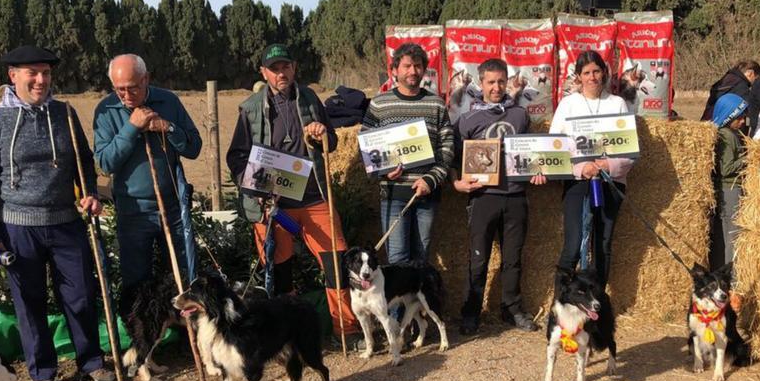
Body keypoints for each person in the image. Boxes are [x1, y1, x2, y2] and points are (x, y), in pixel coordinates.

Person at [0, 45, 115, 381]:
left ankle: (91, 360)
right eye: (32, 73)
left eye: (46, 73)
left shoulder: (65, 113)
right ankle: (42, 372)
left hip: (66, 221)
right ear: (13, 76)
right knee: (29, 301)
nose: (41, 80)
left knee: (81, 294)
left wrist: (89, 193)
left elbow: (83, 162)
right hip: (17, 227)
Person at [226, 43, 360, 346]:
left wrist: (323, 135)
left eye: (285, 67)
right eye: (274, 69)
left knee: (337, 263)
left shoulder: (310, 98)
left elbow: (332, 142)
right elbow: (236, 158)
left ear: (294, 68)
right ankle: (288, 339)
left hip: (314, 197)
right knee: (280, 272)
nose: (281, 73)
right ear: (264, 72)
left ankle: (346, 331)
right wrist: (255, 189)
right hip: (273, 204)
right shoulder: (249, 108)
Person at [451, 58, 544, 335]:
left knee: (512, 258)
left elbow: (530, 153)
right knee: (478, 258)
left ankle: (511, 309)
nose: (496, 87)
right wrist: (456, 182)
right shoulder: (467, 119)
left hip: (515, 196)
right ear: (480, 83)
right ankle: (471, 312)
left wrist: (537, 171)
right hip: (483, 197)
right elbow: (453, 158)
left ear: (508, 82)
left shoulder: (520, 115)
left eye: (501, 81)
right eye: (490, 82)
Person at [93, 54, 202, 289]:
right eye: (119, 89)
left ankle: (181, 314)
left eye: (132, 87)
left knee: (182, 279)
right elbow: (105, 163)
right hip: (132, 211)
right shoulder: (106, 110)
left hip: (173, 209)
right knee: (136, 283)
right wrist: (131, 128)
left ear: (146, 79)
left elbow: (194, 148)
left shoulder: (168, 101)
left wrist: (168, 128)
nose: (126, 95)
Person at [361, 43, 455, 264]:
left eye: (418, 66)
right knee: (397, 260)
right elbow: (365, 143)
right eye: (407, 66)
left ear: (424, 69)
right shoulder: (380, 103)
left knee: (421, 259)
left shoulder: (436, 104)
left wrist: (431, 179)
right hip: (393, 194)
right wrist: (383, 171)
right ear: (394, 70)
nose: (413, 71)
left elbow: (447, 145)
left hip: (426, 194)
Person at [549, 50, 631, 291]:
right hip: (578, 182)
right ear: (578, 76)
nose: (592, 77)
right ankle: (560, 302)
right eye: (586, 73)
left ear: (604, 73)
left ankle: (597, 301)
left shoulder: (617, 103)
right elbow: (554, 146)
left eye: (596, 71)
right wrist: (580, 168)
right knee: (573, 245)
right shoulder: (568, 105)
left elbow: (629, 151)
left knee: (602, 245)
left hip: (610, 182)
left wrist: (608, 165)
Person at [709, 93, 749, 270]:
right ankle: (729, 274)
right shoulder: (727, 136)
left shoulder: (726, 133)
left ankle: (720, 270)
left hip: (726, 189)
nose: (743, 121)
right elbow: (726, 169)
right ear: (729, 116)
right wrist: (749, 157)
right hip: (730, 189)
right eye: (739, 118)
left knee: (723, 234)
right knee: (732, 235)